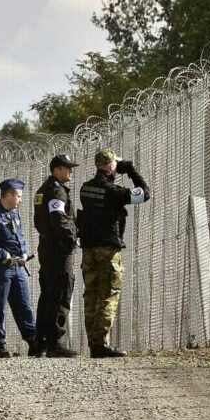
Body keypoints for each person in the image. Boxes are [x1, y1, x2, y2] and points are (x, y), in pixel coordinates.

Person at [77, 148, 150, 358]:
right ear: (110, 166)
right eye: (115, 165)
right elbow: (145, 193)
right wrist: (131, 171)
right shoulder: (114, 192)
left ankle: (94, 343)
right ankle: (100, 344)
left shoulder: (85, 189)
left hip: (88, 248)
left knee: (91, 294)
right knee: (109, 294)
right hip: (108, 249)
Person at [0, 178, 41, 358]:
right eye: (18, 196)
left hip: (18, 267)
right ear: (9, 194)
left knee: (24, 306)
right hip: (1, 268)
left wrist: (25, 253)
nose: (20, 199)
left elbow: (19, 237)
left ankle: (33, 341)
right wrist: (1, 253)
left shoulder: (14, 213)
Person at [32, 154, 80, 358]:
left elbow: (38, 221)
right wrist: (72, 239)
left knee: (48, 294)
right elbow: (59, 219)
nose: (71, 171)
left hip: (47, 245)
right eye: (67, 168)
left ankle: (40, 342)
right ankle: (55, 342)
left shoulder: (43, 190)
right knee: (61, 291)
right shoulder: (56, 190)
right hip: (58, 248)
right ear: (57, 169)